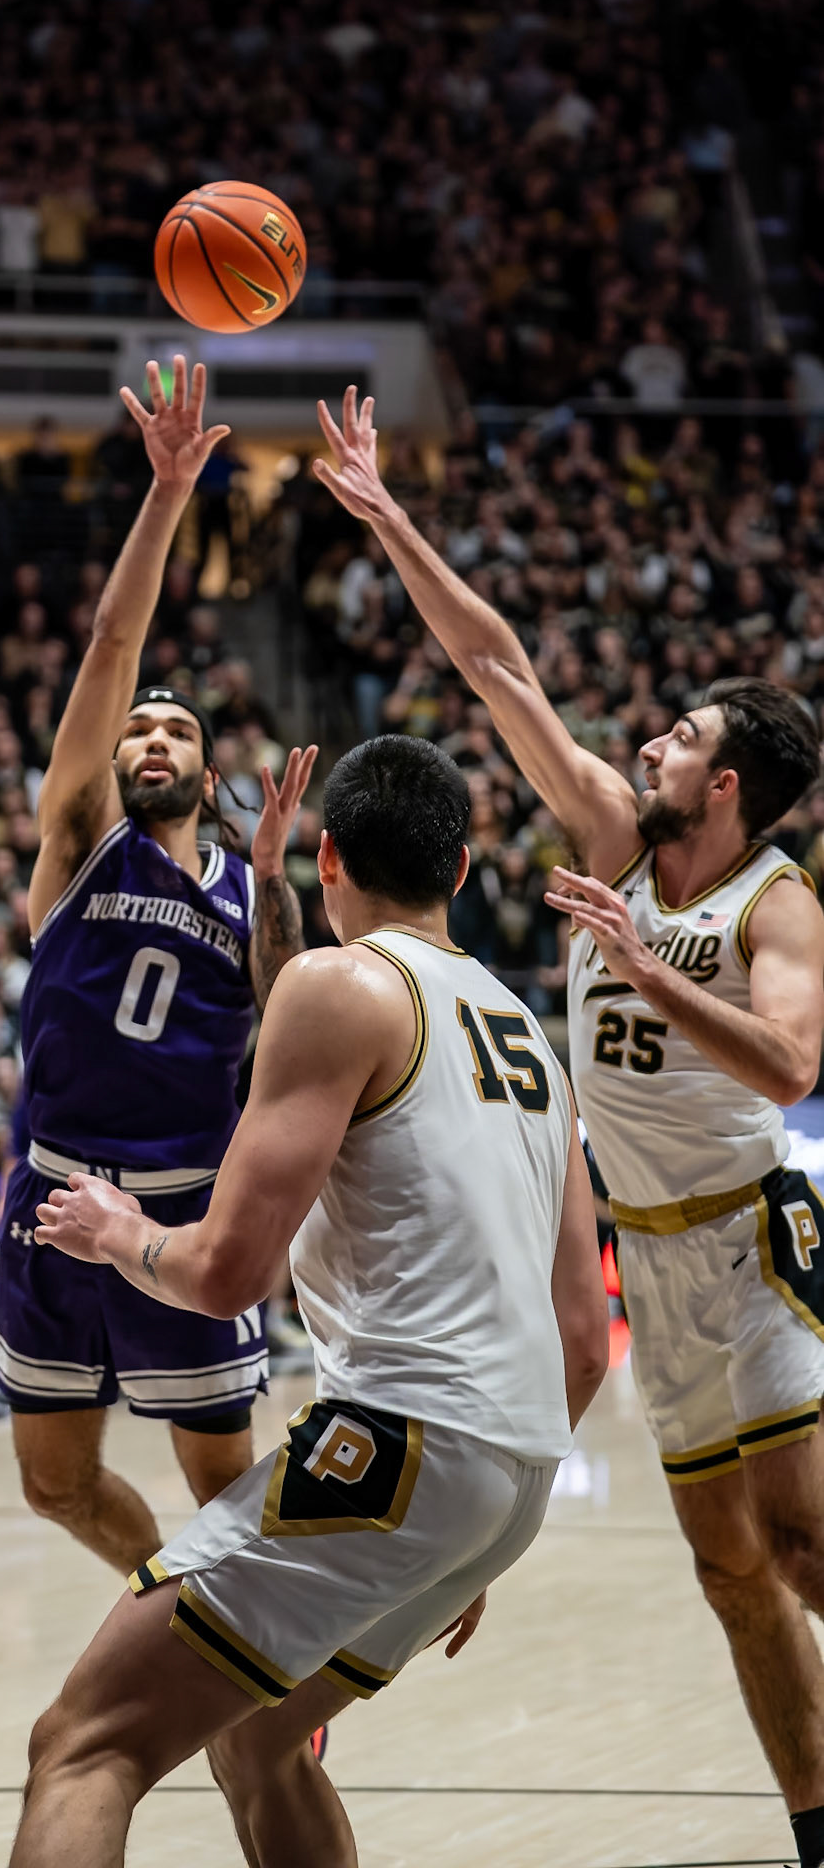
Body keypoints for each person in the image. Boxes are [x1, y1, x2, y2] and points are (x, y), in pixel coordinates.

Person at [312, 386, 824, 1868]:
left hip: (750, 1241)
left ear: (723, 787)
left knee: (799, 1547)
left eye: (676, 738)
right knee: (731, 1578)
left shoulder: (771, 902)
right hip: (648, 1264)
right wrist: (387, 514)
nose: (645, 744)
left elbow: (789, 1066)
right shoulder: (612, 838)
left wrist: (653, 968)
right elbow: (494, 664)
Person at [12, 736, 609, 1867]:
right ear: (465, 869)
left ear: (328, 855)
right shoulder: (535, 1039)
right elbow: (584, 1338)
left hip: (402, 1440)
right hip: (516, 1470)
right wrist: (470, 1528)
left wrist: (121, 1234)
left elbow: (229, 1273)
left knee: (83, 1745)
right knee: (261, 1739)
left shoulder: (338, 986)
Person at [0, 357, 318, 1574]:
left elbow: (292, 1014)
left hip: (186, 1203)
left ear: (206, 765)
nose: (149, 736)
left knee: (222, 1478)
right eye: (139, 724)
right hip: (50, 1193)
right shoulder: (79, 841)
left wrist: (280, 874)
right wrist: (170, 490)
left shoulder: (247, 888)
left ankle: (255, 1667)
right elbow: (111, 639)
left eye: (176, 728)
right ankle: (176, 1619)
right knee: (54, 1481)